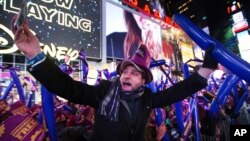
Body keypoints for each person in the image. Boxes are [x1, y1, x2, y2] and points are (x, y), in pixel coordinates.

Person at [12, 17, 218, 141]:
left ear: (144, 81)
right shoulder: (103, 93)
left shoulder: (148, 99)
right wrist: (35, 54)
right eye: (125, 71)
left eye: (134, 73)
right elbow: (67, 87)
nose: (127, 75)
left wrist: (207, 69)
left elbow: (179, 91)